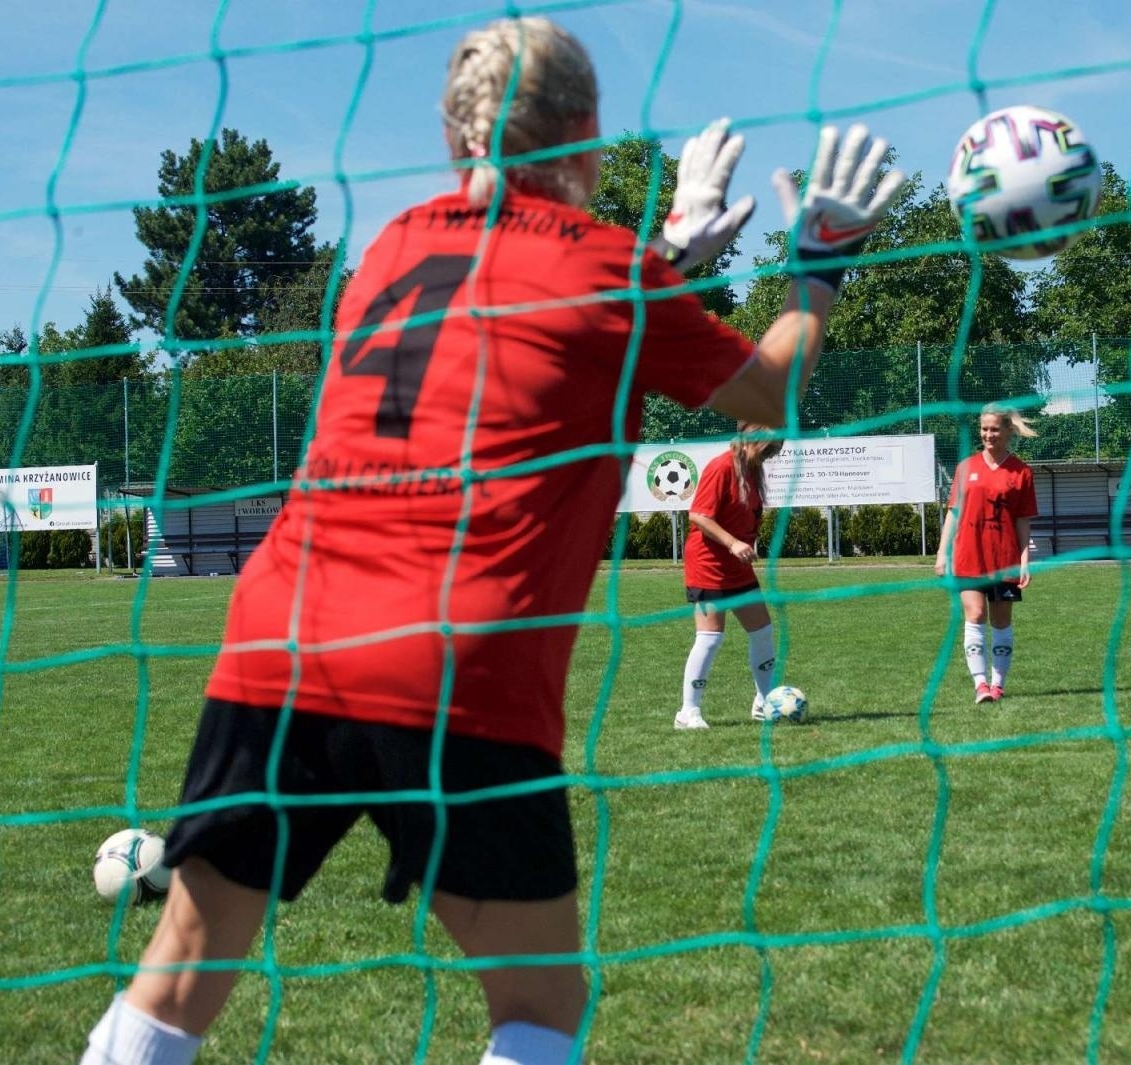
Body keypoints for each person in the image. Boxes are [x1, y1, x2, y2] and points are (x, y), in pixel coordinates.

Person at [78, 16, 905, 1065]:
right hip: (454, 664)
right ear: (588, 134)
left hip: (280, 641)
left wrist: (670, 251)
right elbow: (766, 390)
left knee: (184, 967)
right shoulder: (610, 270)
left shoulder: (393, 244)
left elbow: (519, 325)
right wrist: (819, 261)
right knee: (536, 1009)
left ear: (451, 133)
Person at [673, 426, 785, 729]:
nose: (772, 455)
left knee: (762, 631)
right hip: (708, 565)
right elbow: (698, 515)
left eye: (776, 450)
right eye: (769, 449)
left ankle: (764, 702)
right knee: (710, 638)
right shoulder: (722, 467)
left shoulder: (751, 471)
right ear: (753, 441)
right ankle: (688, 712)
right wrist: (733, 543)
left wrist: (744, 544)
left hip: (738, 568)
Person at [933, 404, 1039, 704]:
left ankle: (998, 684)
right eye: (984, 429)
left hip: (1003, 558)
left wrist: (1023, 559)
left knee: (1001, 623)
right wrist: (942, 553)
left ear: (1007, 431)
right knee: (975, 614)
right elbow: (954, 512)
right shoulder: (966, 468)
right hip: (968, 555)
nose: (988, 435)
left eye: (994, 429)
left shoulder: (1021, 472)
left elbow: (1022, 520)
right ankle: (980, 685)